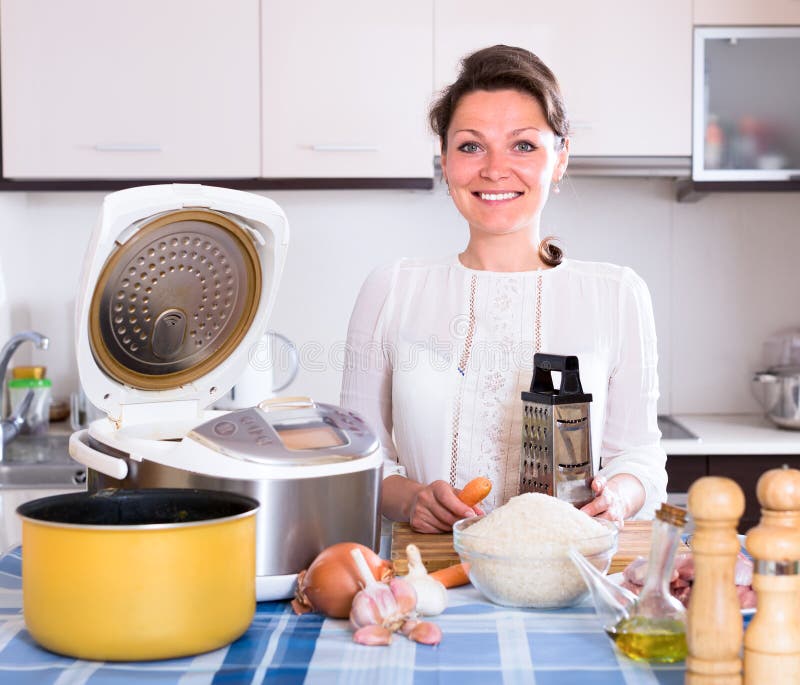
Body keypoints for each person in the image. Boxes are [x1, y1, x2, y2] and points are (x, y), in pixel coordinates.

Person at [341, 45, 667, 533]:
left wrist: (618, 495)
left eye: (524, 146)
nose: (494, 169)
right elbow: (357, 459)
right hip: (432, 568)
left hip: (567, 563)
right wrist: (411, 500)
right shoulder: (392, 290)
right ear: (445, 159)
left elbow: (640, 458)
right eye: (471, 146)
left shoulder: (617, 295)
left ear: (560, 158)